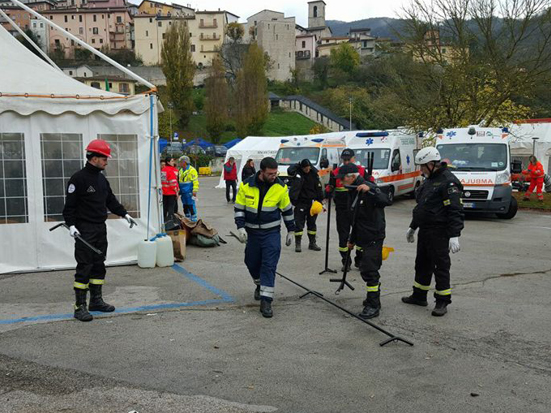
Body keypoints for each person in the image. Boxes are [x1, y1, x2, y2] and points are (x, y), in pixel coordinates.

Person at [62, 139, 137, 322]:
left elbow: (110, 200)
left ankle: (96, 301)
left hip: (99, 228)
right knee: (84, 267)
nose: (107, 161)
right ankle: (79, 306)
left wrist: (124, 214)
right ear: (94, 158)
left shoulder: (101, 179)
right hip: (84, 230)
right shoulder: (78, 179)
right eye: (104, 158)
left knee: (98, 264)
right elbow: (69, 207)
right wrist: (71, 225)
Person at [402, 147, 464, 317]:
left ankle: (442, 301)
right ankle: (419, 295)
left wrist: (454, 235)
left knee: (440, 266)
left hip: (439, 231)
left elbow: (455, 210)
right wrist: (413, 226)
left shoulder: (448, 182)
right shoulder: (429, 180)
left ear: (431, 164)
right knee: (421, 264)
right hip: (425, 230)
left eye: (422, 166)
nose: (420, 170)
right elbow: (422, 207)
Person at [234, 157, 296, 318]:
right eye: (270, 173)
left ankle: (266, 301)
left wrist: (291, 230)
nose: (274, 176)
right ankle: (259, 284)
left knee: (269, 265)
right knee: (251, 262)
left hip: (271, 233)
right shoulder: (246, 185)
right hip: (252, 233)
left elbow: (287, 210)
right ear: (262, 172)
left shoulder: (280, 187)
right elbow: (239, 208)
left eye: (275, 173)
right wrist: (240, 227)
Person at [338, 163, 390, 319]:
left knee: (369, 269)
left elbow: (385, 200)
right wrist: (351, 239)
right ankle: (372, 298)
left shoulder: (367, 186)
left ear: (352, 177)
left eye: (342, 179)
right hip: (361, 235)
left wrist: (372, 190)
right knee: (364, 268)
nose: (340, 182)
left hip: (373, 235)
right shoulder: (352, 191)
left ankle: (373, 305)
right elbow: (356, 218)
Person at [329, 149, 366, 270]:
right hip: (342, 209)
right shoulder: (335, 173)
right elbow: (330, 188)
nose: (345, 162)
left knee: (360, 235)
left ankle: (359, 259)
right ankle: (346, 261)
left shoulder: (360, 171)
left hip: (358, 209)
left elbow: (370, 186)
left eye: (348, 160)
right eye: (343, 160)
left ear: (353, 158)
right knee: (343, 237)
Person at [287, 159, 324, 253]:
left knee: (312, 224)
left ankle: (312, 243)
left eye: (308, 168)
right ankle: (298, 244)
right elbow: (289, 170)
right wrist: (298, 164)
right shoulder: (297, 173)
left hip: (312, 202)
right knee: (299, 224)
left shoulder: (314, 174)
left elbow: (319, 187)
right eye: (305, 168)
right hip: (300, 202)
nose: (307, 170)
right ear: (302, 168)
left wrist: (320, 200)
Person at [178, 155, 199, 222]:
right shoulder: (181, 170)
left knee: (190, 204)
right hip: (183, 191)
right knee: (185, 205)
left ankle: (193, 218)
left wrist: (195, 190)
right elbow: (179, 180)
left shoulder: (192, 170)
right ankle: (187, 218)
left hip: (189, 190)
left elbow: (195, 181)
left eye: (180, 162)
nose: (179, 164)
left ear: (184, 162)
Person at [161, 157, 179, 227]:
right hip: (171, 192)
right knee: (171, 208)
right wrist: (176, 191)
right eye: (172, 161)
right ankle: (170, 222)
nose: (173, 162)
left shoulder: (163, 170)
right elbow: (173, 183)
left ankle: (163, 221)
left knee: (164, 208)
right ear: (168, 162)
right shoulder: (171, 171)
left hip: (164, 192)